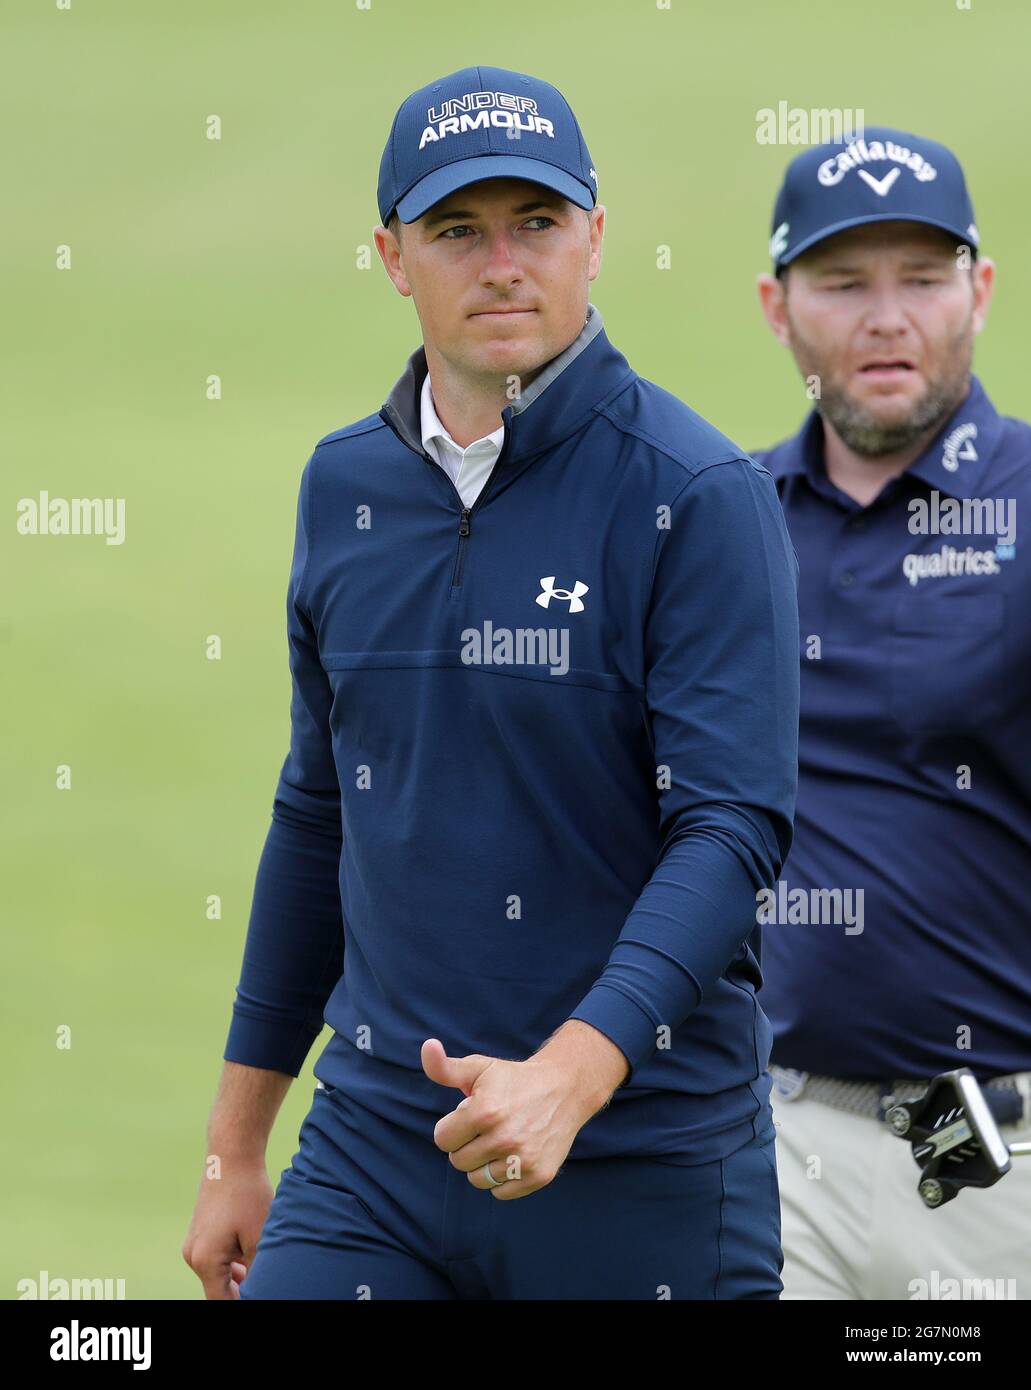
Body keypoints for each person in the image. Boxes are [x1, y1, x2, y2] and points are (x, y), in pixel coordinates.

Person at [182, 64, 799, 1301]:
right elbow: (319, 810)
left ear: (596, 240)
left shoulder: (694, 495)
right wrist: (237, 1142)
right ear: (393, 256)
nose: (500, 261)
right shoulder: (342, 487)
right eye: (456, 229)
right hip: (373, 1157)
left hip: (640, 1164)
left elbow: (730, 831)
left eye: (536, 223)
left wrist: (568, 1075)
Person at [752, 127, 1031, 1300]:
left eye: (919, 278)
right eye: (841, 281)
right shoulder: (722, 523)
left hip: (994, 1168)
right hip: (768, 1149)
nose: (884, 317)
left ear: (977, 289)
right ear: (776, 306)